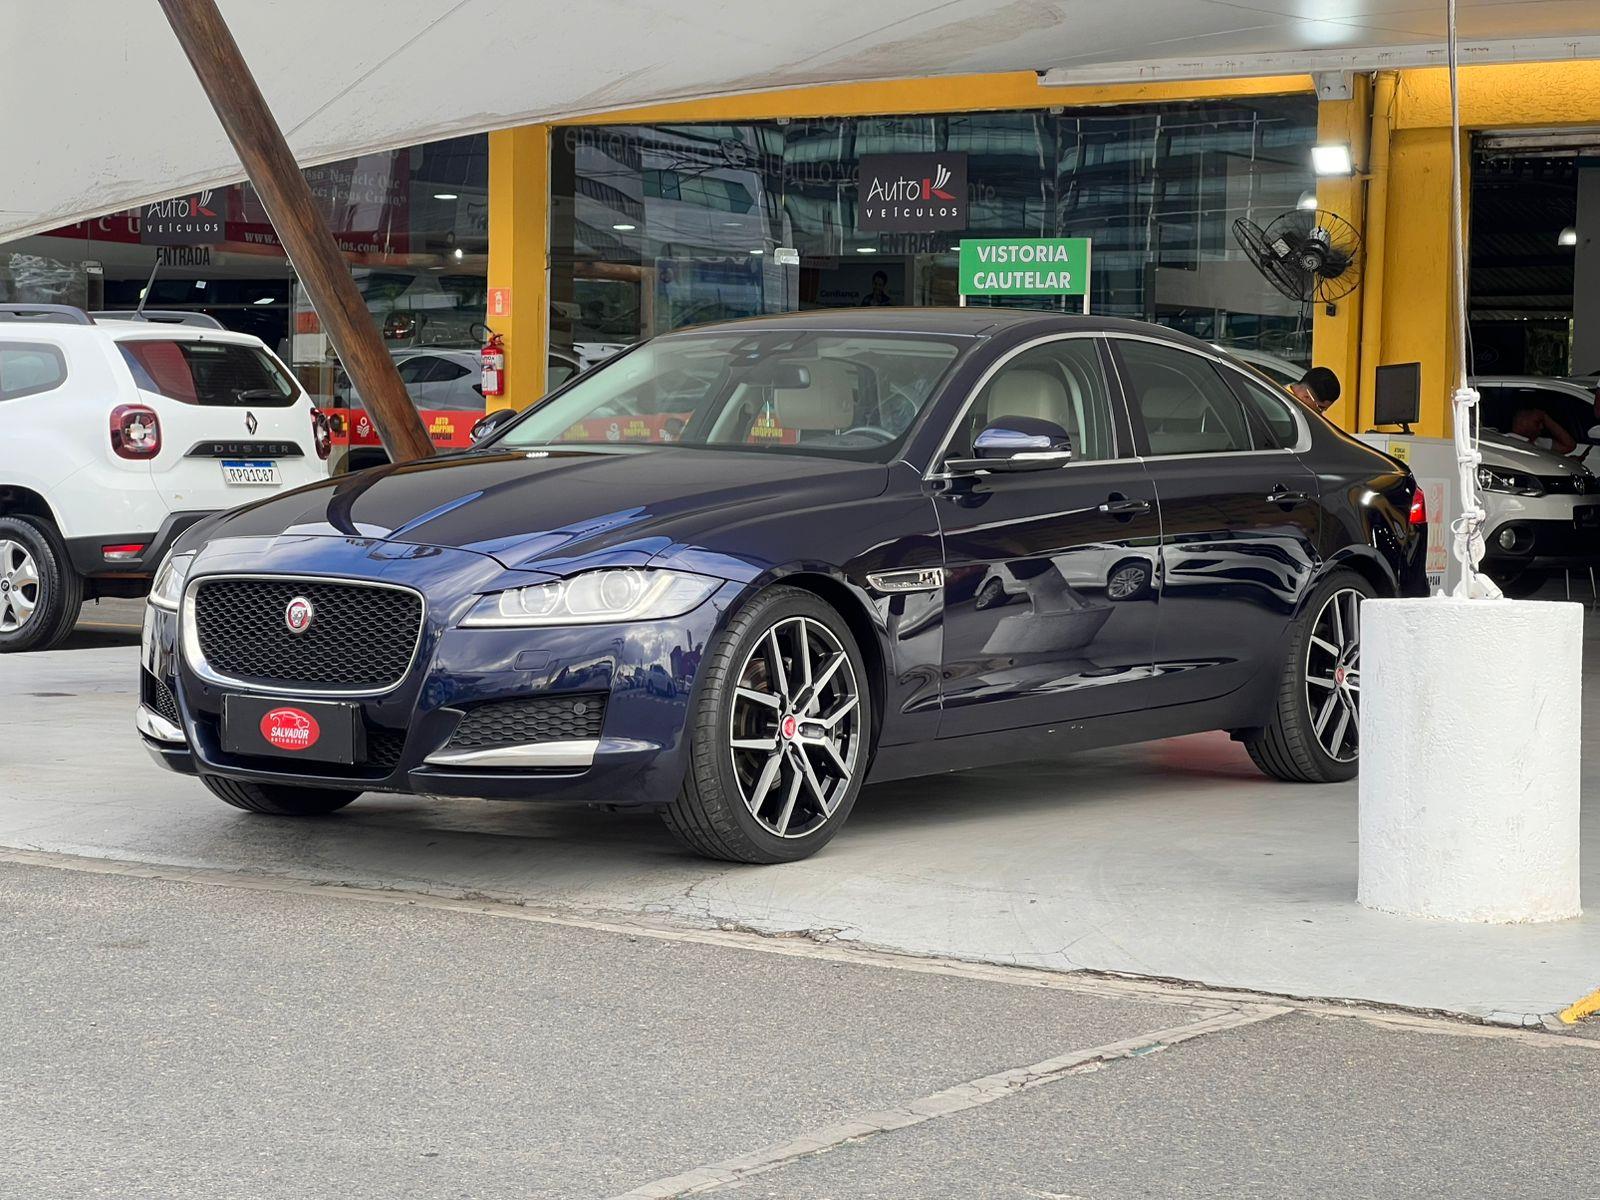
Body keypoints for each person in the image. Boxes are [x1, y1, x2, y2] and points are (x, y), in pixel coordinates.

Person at [1509, 405, 1578, 456]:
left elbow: (1569, 446)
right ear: (1523, 422)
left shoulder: (1538, 442)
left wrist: (1545, 417)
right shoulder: (1508, 441)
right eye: (1537, 422)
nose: (1541, 427)